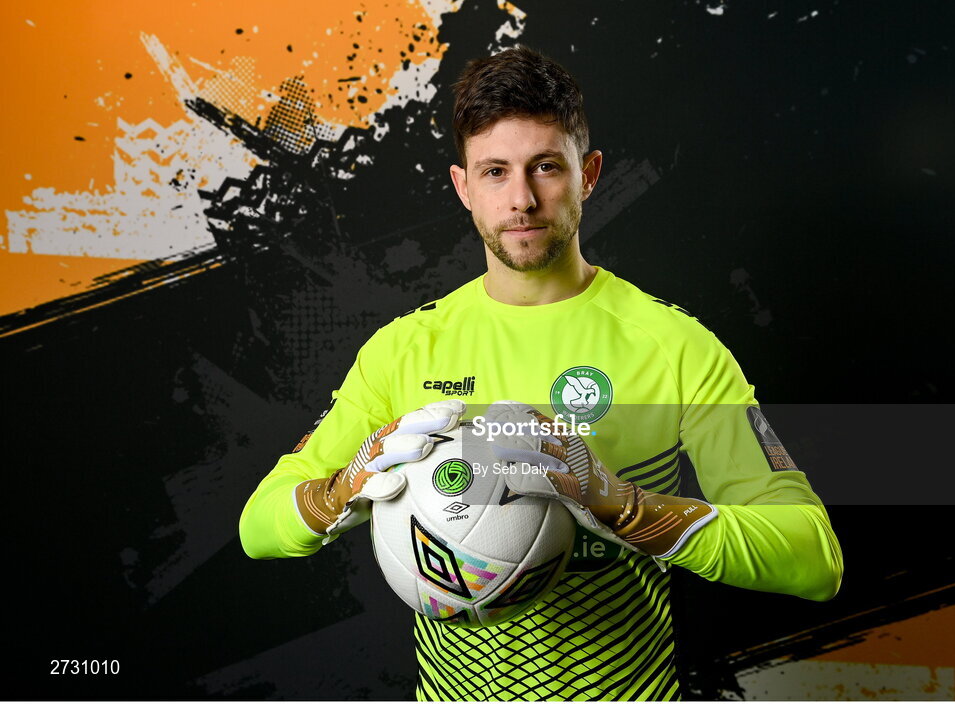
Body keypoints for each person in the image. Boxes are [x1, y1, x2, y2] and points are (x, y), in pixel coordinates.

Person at [239, 45, 843, 701]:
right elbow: (257, 527)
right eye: (494, 171)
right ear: (463, 186)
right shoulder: (403, 350)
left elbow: (812, 559)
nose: (521, 199)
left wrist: (629, 508)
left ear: (589, 174)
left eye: (546, 168)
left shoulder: (673, 347)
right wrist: (339, 492)